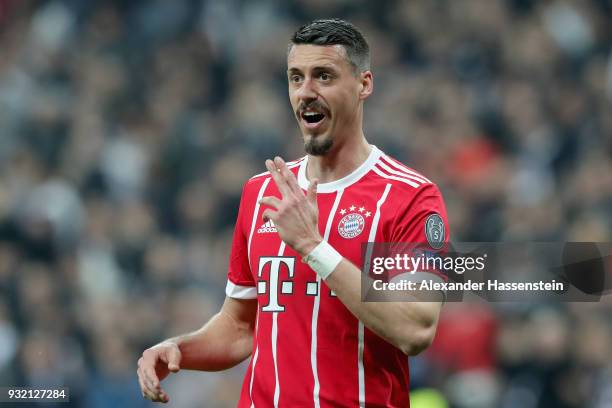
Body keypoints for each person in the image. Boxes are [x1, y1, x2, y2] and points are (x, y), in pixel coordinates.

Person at [137, 18, 449, 406]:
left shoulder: (409, 198)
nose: (306, 92)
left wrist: (313, 247)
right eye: (295, 78)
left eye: (323, 76)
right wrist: (180, 349)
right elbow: (239, 327)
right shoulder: (261, 192)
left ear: (364, 85)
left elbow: (415, 328)